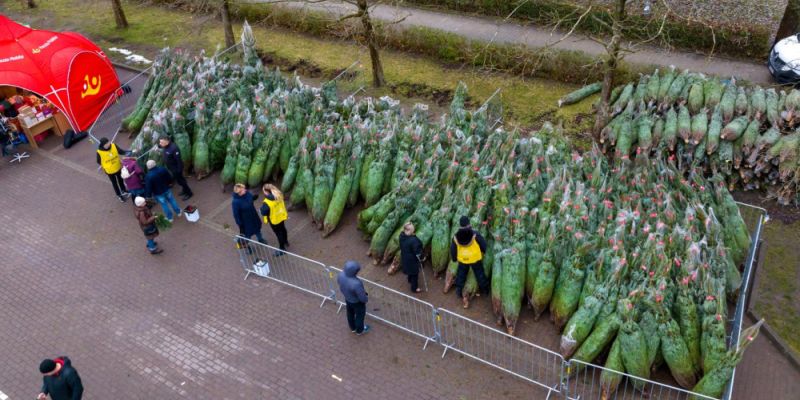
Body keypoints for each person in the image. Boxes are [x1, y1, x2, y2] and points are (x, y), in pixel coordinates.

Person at [450, 216, 490, 309]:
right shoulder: (474, 234)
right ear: (468, 224)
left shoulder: (456, 237)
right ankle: (485, 290)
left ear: (460, 225)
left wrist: (454, 258)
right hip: (474, 258)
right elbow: (483, 243)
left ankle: (459, 291)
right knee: (479, 274)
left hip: (463, 259)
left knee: (461, 274)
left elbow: (453, 249)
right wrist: (484, 250)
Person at [337, 261, 370, 335]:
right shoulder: (356, 283)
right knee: (359, 316)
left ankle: (352, 328)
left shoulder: (341, 275)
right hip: (357, 302)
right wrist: (366, 299)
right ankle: (359, 330)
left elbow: (339, 283)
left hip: (347, 298)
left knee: (350, 313)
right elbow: (362, 297)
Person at [96, 137, 129, 202]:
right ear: (103, 145)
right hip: (110, 171)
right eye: (107, 143)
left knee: (120, 179)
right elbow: (98, 161)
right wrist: (107, 165)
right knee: (114, 183)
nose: (109, 144)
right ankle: (119, 196)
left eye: (109, 142)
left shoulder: (113, 145)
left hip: (117, 167)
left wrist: (127, 152)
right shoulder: (99, 152)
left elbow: (120, 151)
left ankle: (123, 190)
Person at [159, 136, 193, 200]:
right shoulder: (165, 146)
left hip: (176, 169)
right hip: (172, 168)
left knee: (181, 181)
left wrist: (179, 170)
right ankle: (184, 190)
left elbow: (178, 160)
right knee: (179, 181)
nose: (160, 144)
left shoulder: (174, 148)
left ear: (167, 141)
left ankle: (189, 193)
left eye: (161, 142)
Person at [260, 183, 289, 256]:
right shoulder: (279, 195)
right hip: (281, 216)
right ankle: (286, 242)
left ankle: (282, 249)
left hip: (274, 220)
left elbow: (264, 212)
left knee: (278, 233)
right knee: (283, 229)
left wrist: (261, 209)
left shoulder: (267, 202)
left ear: (267, 192)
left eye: (264, 191)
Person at [399, 222, 424, 293]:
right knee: (414, 274)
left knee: (409, 271)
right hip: (412, 261)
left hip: (405, 257)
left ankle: (409, 279)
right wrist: (422, 257)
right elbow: (418, 252)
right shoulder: (414, 241)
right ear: (409, 230)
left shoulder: (401, 236)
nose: (414, 231)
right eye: (413, 230)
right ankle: (414, 288)